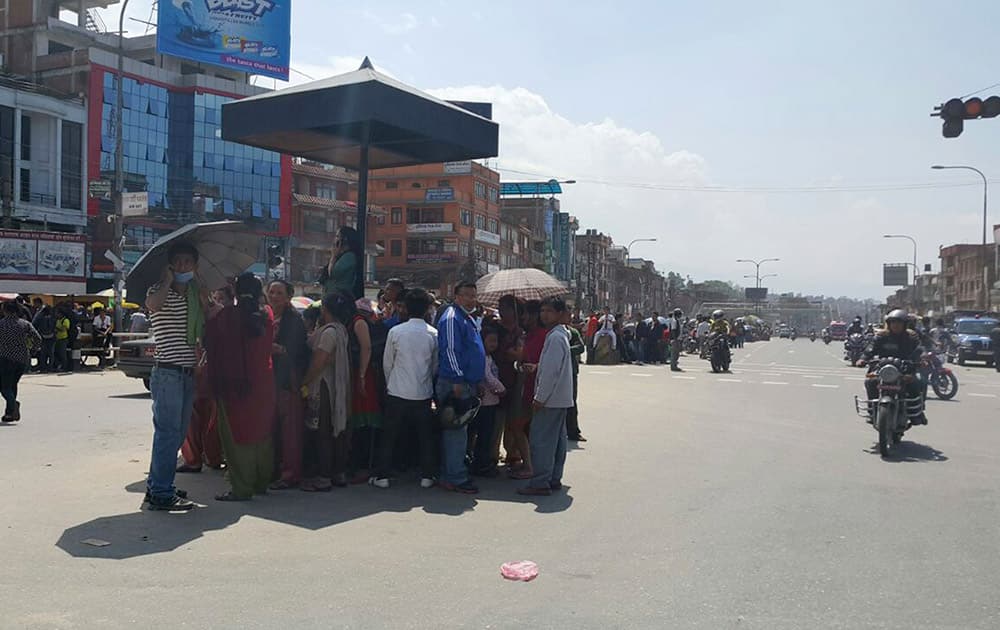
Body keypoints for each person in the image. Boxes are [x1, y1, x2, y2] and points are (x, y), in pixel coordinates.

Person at [144, 241, 206, 511]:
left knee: (176, 434)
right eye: (178, 262)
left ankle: (158, 485)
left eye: (187, 262)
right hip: (168, 371)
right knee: (168, 434)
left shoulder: (194, 295)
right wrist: (168, 281)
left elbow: (204, 323)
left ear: (195, 266)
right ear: (170, 265)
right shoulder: (159, 291)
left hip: (187, 372)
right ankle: (160, 492)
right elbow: (153, 305)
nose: (183, 266)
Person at [204, 273, 275, 502]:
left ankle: (241, 488)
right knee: (262, 433)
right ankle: (261, 482)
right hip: (263, 382)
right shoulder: (267, 315)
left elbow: (210, 340)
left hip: (234, 385)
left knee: (236, 436)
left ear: (235, 292)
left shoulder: (227, 317)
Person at [373, 288, 438, 489]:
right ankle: (427, 476)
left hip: (397, 391)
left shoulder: (396, 332)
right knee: (425, 437)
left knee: (389, 436)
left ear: (406, 308)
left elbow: (387, 363)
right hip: (423, 392)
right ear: (427, 308)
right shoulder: (433, 333)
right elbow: (435, 365)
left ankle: (382, 476)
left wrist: (390, 383)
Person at [518, 297, 573, 496]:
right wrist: (538, 368)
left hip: (550, 399)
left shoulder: (555, 337)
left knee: (541, 440)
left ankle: (540, 482)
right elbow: (551, 367)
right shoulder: (559, 335)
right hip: (560, 398)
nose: (544, 315)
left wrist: (539, 397)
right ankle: (553, 478)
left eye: (549, 311)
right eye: (542, 311)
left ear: (559, 314)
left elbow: (551, 372)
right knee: (556, 441)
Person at [300, 290, 354, 491]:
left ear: (326, 309)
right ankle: (337, 473)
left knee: (323, 432)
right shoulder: (340, 329)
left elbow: (319, 362)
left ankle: (323, 477)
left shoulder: (329, 332)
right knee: (336, 431)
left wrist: (304, 382)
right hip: (337, 386)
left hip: (323, 386)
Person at [435, 281, 485, 494]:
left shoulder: (467, 319)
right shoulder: (452, 318)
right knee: (455, 430)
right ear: (456, 297)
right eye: (466, 295)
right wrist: (457, 380)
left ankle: (454, 472)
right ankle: (454, 476)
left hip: (468, 382)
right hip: (456, 382)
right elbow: (450, 351)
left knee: (460, 430)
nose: (471, 299)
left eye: (474, 296)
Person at [267, 280, 309, 490]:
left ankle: (290, 474)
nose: (274, 296)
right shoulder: (266, 316)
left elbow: (293, 350)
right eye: (271, 292)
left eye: (279, 293)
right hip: (269, 381)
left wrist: (272, 347)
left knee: (290, 430)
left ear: (288, 296)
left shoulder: (294, 320)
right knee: (272, 429)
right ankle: (273, 471)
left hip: (288, 381)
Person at [859, 309, 927, 425]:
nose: (896, 325)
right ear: (889, 324)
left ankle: (917, 412)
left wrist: (922, 359)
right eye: (893, 322)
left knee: (919, 382)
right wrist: (863, 359)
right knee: (870, 382)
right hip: (883, 369)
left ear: (904, 324)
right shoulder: (881, 336)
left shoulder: (911, 337)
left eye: (899, 322)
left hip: (905, 369)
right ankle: (873, 411)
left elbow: (920, 350)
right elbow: (870, 349)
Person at [347, 298, 384, 484]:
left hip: (364, 374)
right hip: (362, 373)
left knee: (364, 420)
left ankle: (364, 466)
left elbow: (366, 347)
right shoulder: (361, 321)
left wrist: (361, 375)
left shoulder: (358, 322)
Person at [510, 300, 544, 480]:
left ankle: (531, 466)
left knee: (520, 426)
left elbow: (549, 363)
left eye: (526, 313)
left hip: (537, 389)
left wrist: (535, 366)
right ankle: (530, 463)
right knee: (522, 426)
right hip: (527, 385)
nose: (523, 317)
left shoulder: (545, 335)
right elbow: (522, 360)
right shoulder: (527, 335)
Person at [471, 325, 505, 476]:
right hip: (485, 403)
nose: (493, 344)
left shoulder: (489, 357)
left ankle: (481, 462)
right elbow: (488, 377)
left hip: (490, 401)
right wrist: (502, 389)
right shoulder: (483, 358)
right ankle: (481, 464)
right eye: (490, 341)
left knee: (486, 435)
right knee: (484, 435)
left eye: (495, 341)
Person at [495, 295, 524, 469]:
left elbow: (520, 354)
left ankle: (512, 452)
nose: (501, 310)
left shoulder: (521, 331)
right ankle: (493, 452)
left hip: (516, 378)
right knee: (496, 419)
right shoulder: (493, 328)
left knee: (514, 418)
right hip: (496, 377)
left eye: (506, 307)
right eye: (500, 307)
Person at [0, 300, 41, 423]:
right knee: (12, 385)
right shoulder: (25, 324)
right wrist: (32, 350)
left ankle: (13, 404)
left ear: (5, 310)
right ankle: (9, 413)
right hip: (22, 359)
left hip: (5, 359)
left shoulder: (1, 324)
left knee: (4, 387)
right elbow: (38, 339)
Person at [318, 226, 362, 298]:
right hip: (331, 294)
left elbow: (333, 273)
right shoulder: (341, 255)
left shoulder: (349, 256)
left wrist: (333, 256)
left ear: (345, 239)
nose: (335, 239)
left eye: (337, 236)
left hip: (339, 296)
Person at [564, 308, 587, 442]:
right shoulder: (551, 331)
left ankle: (573, 431)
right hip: (556, 371)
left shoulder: (573, 332)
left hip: (571, 370)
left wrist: (566, 349)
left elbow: (581, 347)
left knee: (571, 402)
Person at [31, 305, 56, 373]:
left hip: (43, 336)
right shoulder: (53, 316)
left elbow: (34, 324)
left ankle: (43, 368)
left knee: (43, 353)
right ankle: (50, 368)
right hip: (52, 337)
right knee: (51, 353)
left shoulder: (40, 316)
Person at [54, 305, 71, 372]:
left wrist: (57, 329)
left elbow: (65, 328)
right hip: (57, 338)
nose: (56, 314)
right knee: (56, 353)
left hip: (63, 339)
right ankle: (58, 365)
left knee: (62, 354)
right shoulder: (58, 320)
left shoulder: (65, 320)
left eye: (57, 313)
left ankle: (65, 367)